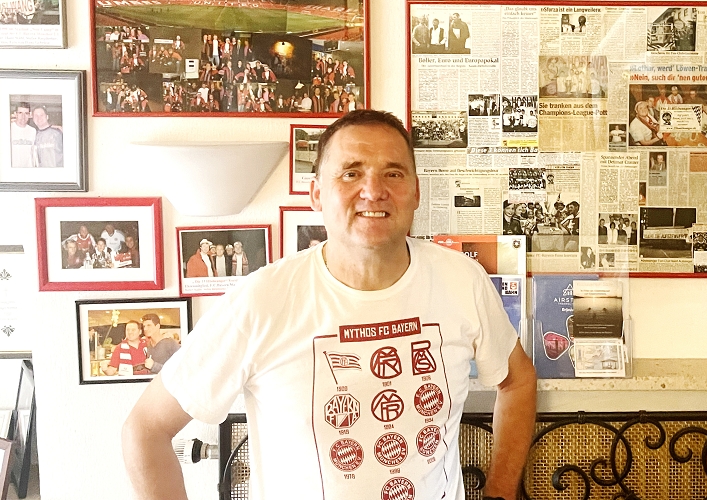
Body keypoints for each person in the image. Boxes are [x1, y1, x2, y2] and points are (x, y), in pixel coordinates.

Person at [123, 110, 536, 500]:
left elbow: (517, 381)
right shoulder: (261, 300)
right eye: (351, 173)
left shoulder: (463, 280)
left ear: (416, 192)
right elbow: (145, 430)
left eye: (393, 173)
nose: (373, 190)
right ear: (317, 194)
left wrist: (500, 492)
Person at [9, 102, 35, 168]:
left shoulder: (33, 131)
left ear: (29, 115)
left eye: (26, 113)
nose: (23, 116)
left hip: (28, 170)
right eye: (20, 113)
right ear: (15, 114)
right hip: (12, 170)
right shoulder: (8, 129)